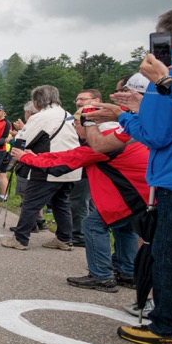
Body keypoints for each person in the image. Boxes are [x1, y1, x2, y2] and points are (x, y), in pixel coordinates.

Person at [89, 5, 172, 344]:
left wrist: (124, 117)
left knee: (171, 256)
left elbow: (156, 134)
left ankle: (170, 327)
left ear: (168, 36)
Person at [13, 109, 148, 290]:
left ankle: (102, 276)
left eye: (75, 124)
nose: (74, 128)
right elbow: (72, 154)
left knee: (92, 225)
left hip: (131, 193)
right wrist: (35, 156)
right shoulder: (114, 135)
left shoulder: (102, 144)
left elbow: (65, 162)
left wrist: (28, 158)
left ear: (86, 125)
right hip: (143, 192)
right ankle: (127, 272)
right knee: (124, 227)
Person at [3, 86, 80, 251]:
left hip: (47, 166)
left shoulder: (41, 116)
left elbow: (24, 139)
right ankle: (64, 239)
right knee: (61, 203)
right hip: (70, 168)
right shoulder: (68, 115)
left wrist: (15, 153)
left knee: (30, 202)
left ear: (37, 101)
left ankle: (20, 239)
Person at [68, 89, 102, 247]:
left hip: (89, 169)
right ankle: (85, 234)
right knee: (86, 203)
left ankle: (79, 235)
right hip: (87, 169)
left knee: (80, 202)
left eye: (83, 99)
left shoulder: (99, 120)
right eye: (77, 99)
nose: (78, 102)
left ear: (97, 100)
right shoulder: (80, 117)